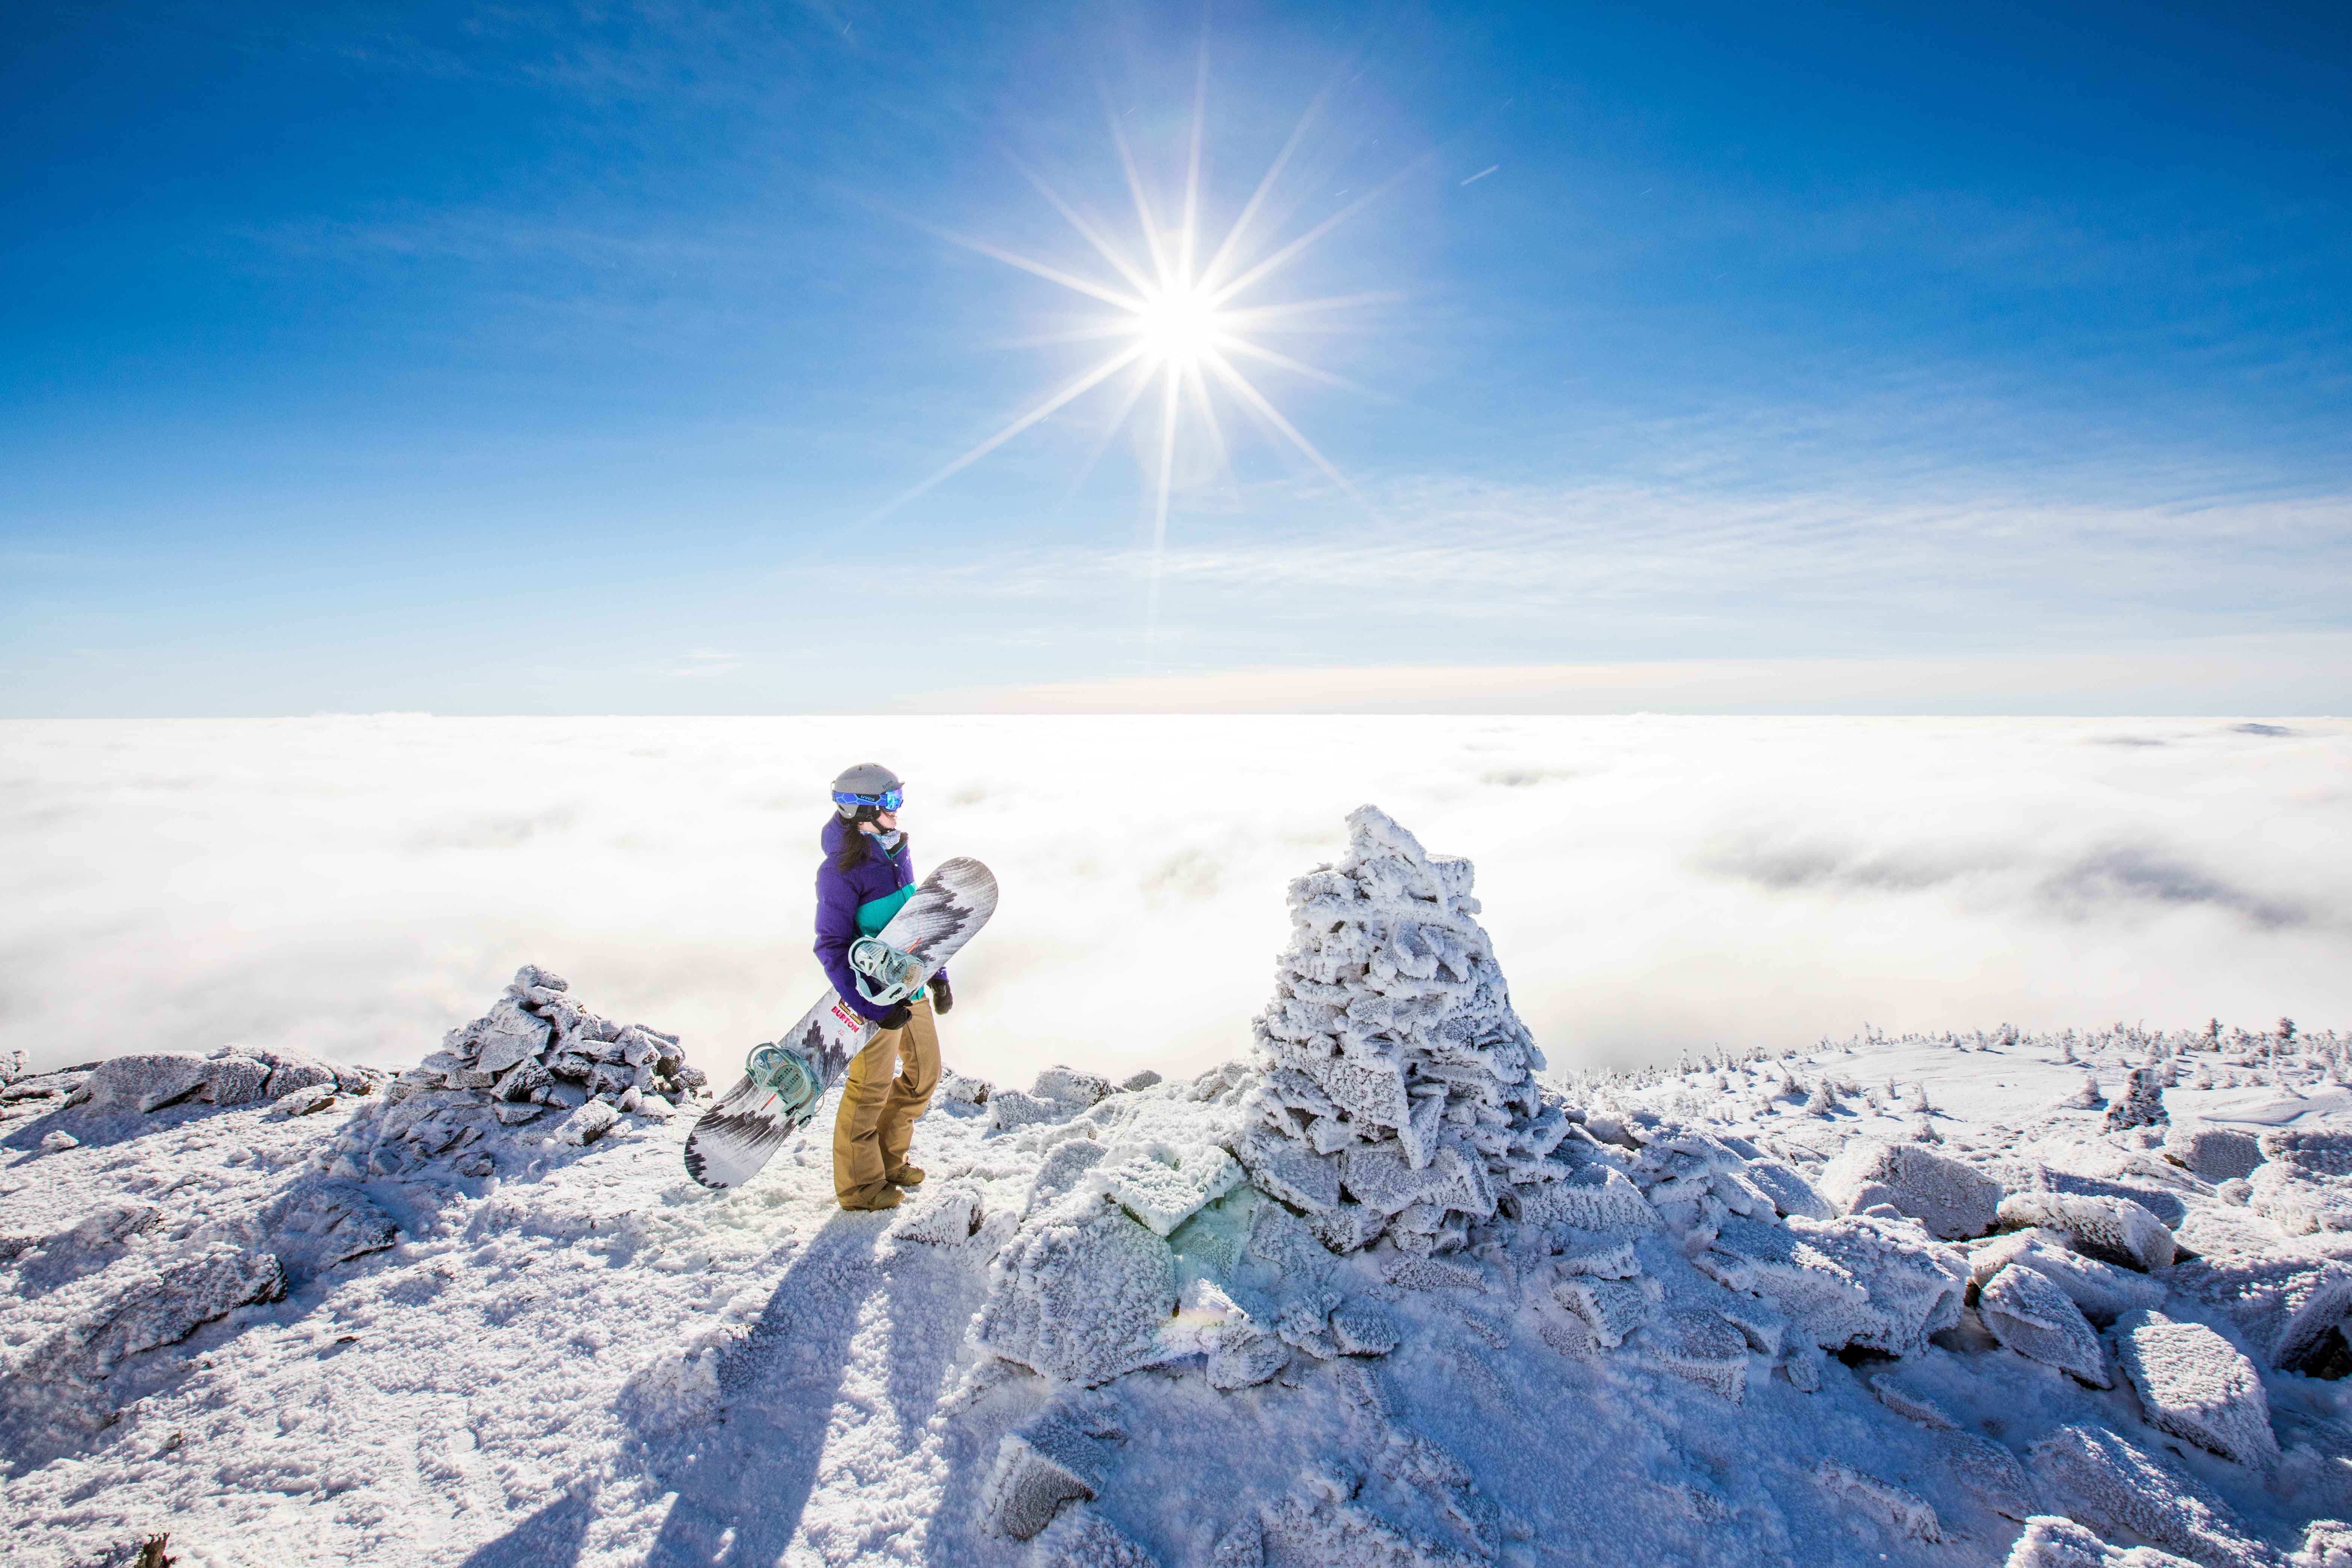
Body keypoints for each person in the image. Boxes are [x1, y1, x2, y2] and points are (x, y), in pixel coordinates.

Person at [816, 762, 952, 1212]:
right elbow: (831, 947)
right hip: (870, 998)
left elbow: (914, 921)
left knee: (924, 1075)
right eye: (890, 802)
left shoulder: (896, 851)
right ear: (861, 811)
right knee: (869, 1088)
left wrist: (938, 974)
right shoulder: (840, 870)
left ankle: (890, 1160)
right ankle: (860, 1188)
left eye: (899, 800)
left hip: (908, 989)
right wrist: (871, 1008)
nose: (899, 810)